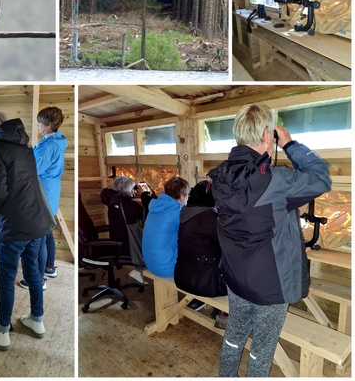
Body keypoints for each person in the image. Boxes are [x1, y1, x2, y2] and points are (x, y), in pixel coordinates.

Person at [208, 102, 331, 377]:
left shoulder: (220, 177)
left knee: (234, 335)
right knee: (262, 348)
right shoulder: (277, 182)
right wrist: (290, 144)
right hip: (269, 286)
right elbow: (321, 177)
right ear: (267, 136)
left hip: (235, 278)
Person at [0, 112, 51, 351]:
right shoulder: (23, 145)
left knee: (6, 279)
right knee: (33, 273)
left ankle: (2, 331)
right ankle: (37, 321)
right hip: (37, 222)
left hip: (15, 226)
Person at [19, 106, 68, 289]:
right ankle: (50, 267)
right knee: (47, 232)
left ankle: (38, 280)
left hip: (43, 193)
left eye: (39, 124)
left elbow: (33, 169)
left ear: (47, 125)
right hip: (51, 191)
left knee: (39, 236)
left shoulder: (49, 146)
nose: (37, 127)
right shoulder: (55, 141)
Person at [174, 180, 228, 328]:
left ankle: (199, 301)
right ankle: (223, 313)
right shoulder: (210, 218)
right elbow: (230, 244)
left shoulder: (185, 213)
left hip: (183, 276)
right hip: (206, 283)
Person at [100, 176, 155, 285]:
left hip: (116, 238)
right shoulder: (128, 204)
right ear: (126, 190)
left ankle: (138, 271)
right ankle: (138, 270)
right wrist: (147, 197)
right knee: (151, 244)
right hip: (128, 243)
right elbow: (145, 213)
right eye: (131, 188)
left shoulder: (113, 200)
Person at [142, 176, 191, 278]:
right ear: (182, 196)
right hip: (167, 267)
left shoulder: (156, 205)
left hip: (150, 262)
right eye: (187, 195)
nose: (187, 198)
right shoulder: (177, 212)